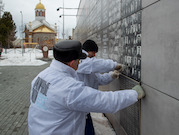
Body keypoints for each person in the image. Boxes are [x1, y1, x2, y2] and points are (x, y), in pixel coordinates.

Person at [28, 40, 145, 135]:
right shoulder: (67, 88)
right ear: (72, 62)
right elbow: (105, 101)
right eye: (79, 60)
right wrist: (134, 93)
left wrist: (111, 75)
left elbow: (96, 80)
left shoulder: (42, 76)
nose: (80, 63)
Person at [77, 39, 124, 135]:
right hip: (78, 107)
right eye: (93, 52)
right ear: (88, 50)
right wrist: (114, 65)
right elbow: (94, 64)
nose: (94, 55)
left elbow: (99, 79)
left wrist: (112, 75)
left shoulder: (88, 65)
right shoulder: (80, 60)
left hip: (84, 108)